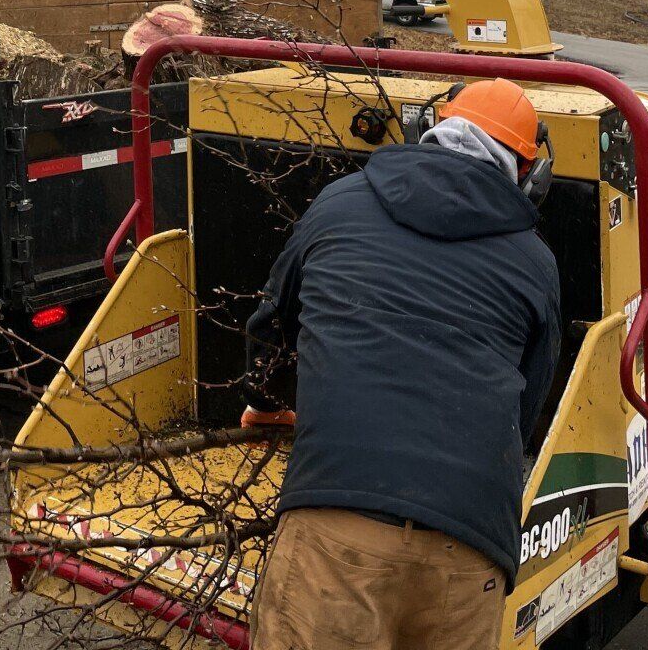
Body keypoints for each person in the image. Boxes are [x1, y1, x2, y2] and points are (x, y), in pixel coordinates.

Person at [241, 77, 562, 650]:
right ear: (526, 176)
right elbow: (529, 403)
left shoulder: (339, 202)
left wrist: (269, 404)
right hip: (469, 545)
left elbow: (271, 324)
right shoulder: (536, 263)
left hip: (337, 517)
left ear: (428, 132)